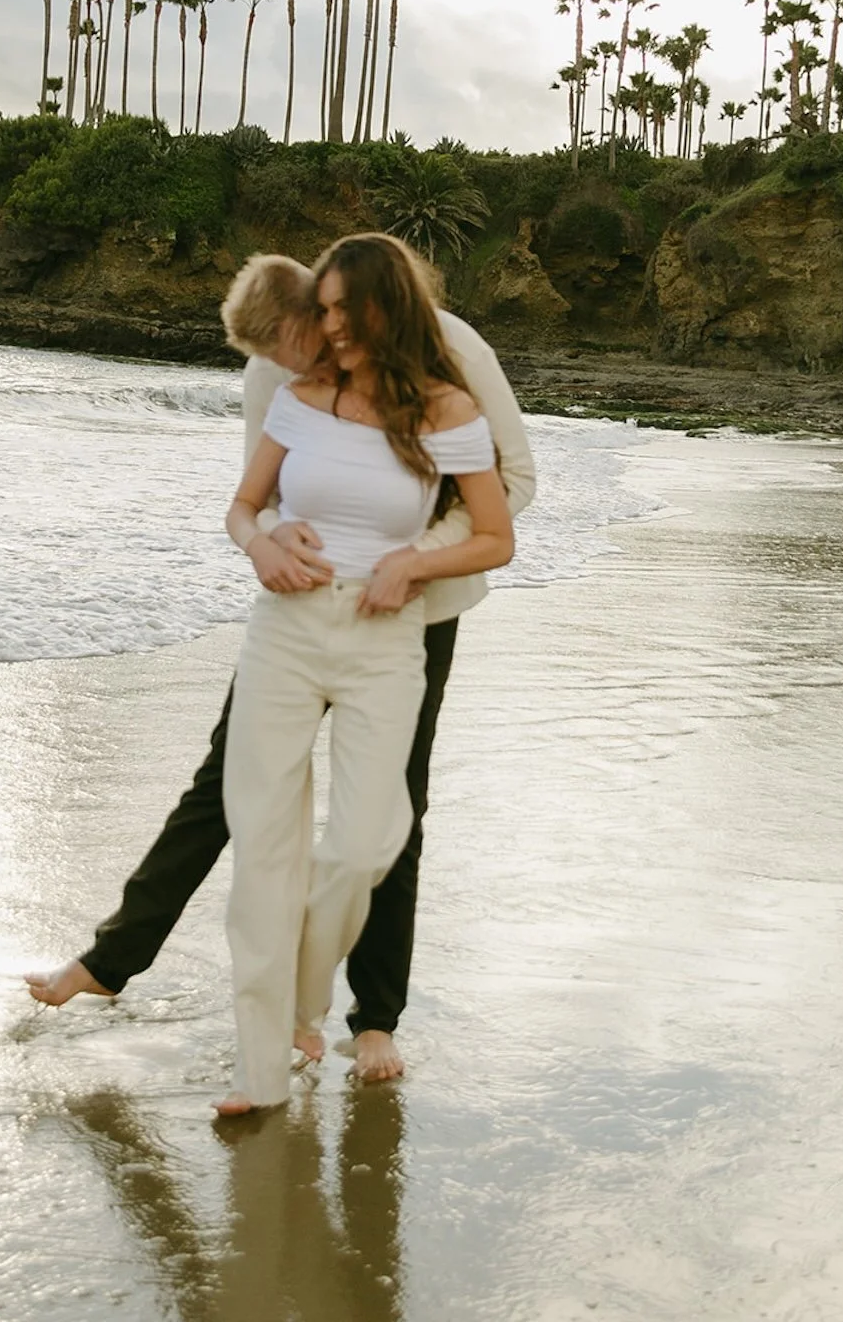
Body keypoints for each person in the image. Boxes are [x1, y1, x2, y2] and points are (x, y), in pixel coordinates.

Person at [27, 247, 535, 1082]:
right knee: (223, 787)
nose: (292, 371)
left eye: (302, 348)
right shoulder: (275, 376)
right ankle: (110, 961)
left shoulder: (451, 351)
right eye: (271, 361)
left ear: (330, 315)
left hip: (414, 609)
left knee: (390, 813)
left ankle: (373, 1021)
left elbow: (513, 483)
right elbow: (259, 498)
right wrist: (268, 539)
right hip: (299, 613)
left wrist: (405, 559)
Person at [215, 233, 514, 1112]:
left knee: (360, 845)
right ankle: (260, 1069)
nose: (330, 322)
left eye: (346, 307)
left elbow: (499, 532)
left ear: (389, 307)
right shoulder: (298, 398)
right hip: (287, 631)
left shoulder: (450, 411)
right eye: (325, 307)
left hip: (388, 637)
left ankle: (312, 999)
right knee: (264, 852)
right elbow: (242, 507)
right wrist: (263, 542)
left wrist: (414, 563)